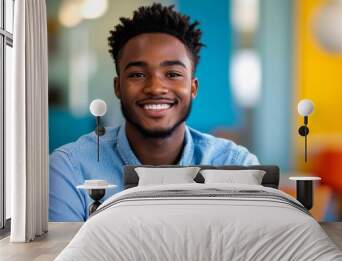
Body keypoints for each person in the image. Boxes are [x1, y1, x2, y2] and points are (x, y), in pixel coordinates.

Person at [49, 3, 259, 221]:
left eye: (173, 73)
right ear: (118, 87)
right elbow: (62, 255)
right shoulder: (70, 170)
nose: (156, 88)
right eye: (138, 74)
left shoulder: (236, 167)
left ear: (193, 88)